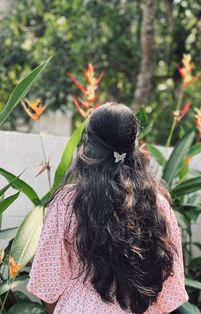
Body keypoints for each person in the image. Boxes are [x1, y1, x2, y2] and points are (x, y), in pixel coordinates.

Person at [26, 102, 188, 314]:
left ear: (89, 146)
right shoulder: (157, 204)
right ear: (135, 145)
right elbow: (168, 292)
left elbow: (47, 284)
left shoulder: (67, 202)